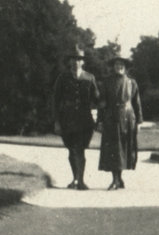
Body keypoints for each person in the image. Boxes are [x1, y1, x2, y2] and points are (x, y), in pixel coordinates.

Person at [52, 46, 100, 190]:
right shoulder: (63, 77)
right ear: (69, 61)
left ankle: (81, 180)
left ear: (82, 62)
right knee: (72, 149)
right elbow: (55, 100)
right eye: (73, 59)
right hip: (67, 119)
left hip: (85, 120)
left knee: (81, 149)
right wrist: (57, 121)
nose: (76, 62)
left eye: (79, 59)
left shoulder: (89, 77)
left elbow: (96, 97)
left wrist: (101, 107)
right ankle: (75, 179)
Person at [97, 55, 142, 190]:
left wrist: (139, 122)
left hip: (128, 118)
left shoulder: (132, 83)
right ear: (113, 67)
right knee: (113, 150)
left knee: (123, 149)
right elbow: (102, 103)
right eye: (117, 64)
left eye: (122, 65)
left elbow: (137, 103)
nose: (119, 67)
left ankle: (119, 179)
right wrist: (100, 120)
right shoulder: (106, 82)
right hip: (111, 118)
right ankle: (116, 180)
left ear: (126, 67)